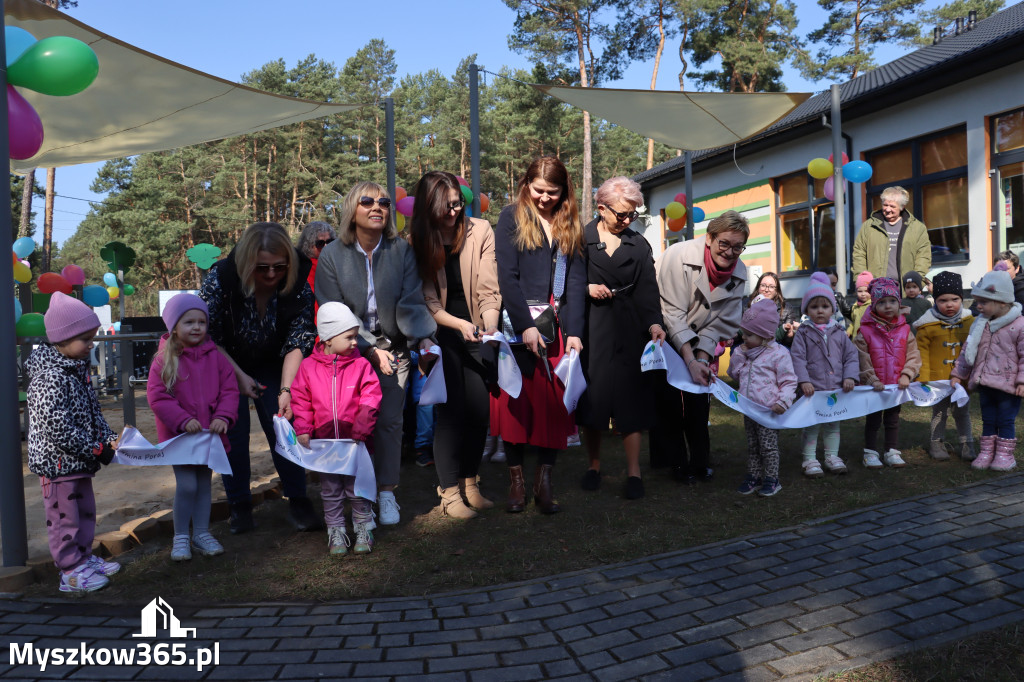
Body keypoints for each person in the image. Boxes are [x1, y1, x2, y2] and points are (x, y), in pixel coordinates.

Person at [315, 182, 437, 525]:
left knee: (389, 423)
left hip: (394, 349)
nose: (377, 207)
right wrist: (367, 349)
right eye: (367, 201)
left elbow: (411, 301)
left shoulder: (401, 251)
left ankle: (386, 492)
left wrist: (423, 339)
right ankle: (353, 498)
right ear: (352, 210)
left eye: (384, 202)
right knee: (350, 424)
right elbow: (332, 307)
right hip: (348, 351)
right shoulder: (332, 255)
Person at [200, 221, 319, 534]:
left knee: (284, 423)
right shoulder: (221, 277)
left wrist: (286, 389)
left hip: (275, 362)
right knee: (232, 430)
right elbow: (208, 336)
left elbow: (299, 339)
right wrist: (237, 375)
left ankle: (298, 499)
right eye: (261, 267)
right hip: (225, 361)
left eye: (279, 267)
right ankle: (239, 505)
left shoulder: (298, 284)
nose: (270, 275)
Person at [493, 156, 586, 514]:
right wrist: (525, 325)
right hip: (519, 328)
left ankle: (543, 482)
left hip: (558, 330)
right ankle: (516, 483)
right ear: (525, 185)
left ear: (565, 191)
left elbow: (576, 283)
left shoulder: (570, 223)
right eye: (539, 190)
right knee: (515, 405)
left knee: (555, 408)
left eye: (553, 191)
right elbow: (507, 279)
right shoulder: (509, 217)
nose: (545, 198)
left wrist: (575, 332)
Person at [411, 170, 501, 519]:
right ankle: (449, 493)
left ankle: (471, 483)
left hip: (478, 329)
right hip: (441, 333)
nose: (454, 212)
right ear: (429, 207)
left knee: (480, 411)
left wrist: (489, 327)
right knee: (450, 413)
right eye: (446, 206)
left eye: (458, 204)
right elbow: (428, 300)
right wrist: (459, 324)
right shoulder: (418, 239)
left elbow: (489, 288)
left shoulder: (481, 230)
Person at [576, 176, 665, 500]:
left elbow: (648, 290)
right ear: (601, 208)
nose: (628, 220)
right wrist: (585, 288)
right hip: (592, 329)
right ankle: (594, 466)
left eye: (633, 215)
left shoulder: (638, 244)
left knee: (632, 401)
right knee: (594, 400)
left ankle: (634, 473)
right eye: (622, 215)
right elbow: (566, 282)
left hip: (630, 329)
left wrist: (654, 323)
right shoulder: (579, 239)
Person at [27, 292, 121, 593]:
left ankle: (83, 558)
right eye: (85, 339)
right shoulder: (49, 377)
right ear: (62, 339)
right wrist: (96, 448)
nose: (91, 345)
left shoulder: (76, 370)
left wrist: (108, 438)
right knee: (64, 520)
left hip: (79, 462)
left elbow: (93, 412)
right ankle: (69, 571)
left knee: (85, 513)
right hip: (57, 465)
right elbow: (59, 428)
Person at [652, 210, 749, 483]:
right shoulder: (678, 255)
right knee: (670, 400)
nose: (730, 252)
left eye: (738, 246)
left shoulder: (739, 272)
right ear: (709, 239)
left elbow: (718, 323)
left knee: (699, 398)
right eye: (724, 244)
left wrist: (702, 360)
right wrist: (689, 359)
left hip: (699, 336)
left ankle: (700, 461)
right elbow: (671, 313)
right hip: (663, 333)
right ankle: (676, 462)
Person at [147, 294, 238, 561]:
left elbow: (230, 390)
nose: (197, 327)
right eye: (189, 322)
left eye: (201, 321)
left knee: (204, 484)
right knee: (187, 485)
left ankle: (201, 533)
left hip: (209, 435)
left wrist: (223, 415)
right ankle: (181, 537)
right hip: (181, 438)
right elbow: (157, 396)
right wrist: (182, 420)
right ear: (174, 326)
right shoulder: (164, 360)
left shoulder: (216, 357)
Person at [290, 302, 382, 555]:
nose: (355, 342)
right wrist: (304, 428)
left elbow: (371, 397)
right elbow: (301, 399)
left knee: (357, 488)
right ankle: (336, 530)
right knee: (330, 490)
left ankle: (363, 527)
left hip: (355, 442)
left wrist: (362, 428)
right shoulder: (308, 367)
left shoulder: (361, 365)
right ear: (328, 339)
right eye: (349, 337)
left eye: (356, 336)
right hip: (326, 444)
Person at [951, 269, 1024, 471]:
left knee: (1006, 420)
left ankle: (1004, 455)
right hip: (985, 382)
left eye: (983, 302)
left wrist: (1022, 381)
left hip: (1008, 386)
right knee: (988, 419)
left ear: (1002, 302)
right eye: (977, 301)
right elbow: (968, 350)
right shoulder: (979, 323)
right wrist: (959, 374)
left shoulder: (1019, 325)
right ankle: (987, 452)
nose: (978, 306)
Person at [791, 273, 859, 477]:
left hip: (835, 389)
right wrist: (803, 381)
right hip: (812, 389)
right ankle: (809, 459)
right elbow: (797, 358)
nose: (820, 310)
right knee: (811, 425)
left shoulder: (839, 332)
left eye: (824, 306)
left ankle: (831, 456)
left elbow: (851, 356)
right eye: (814, 306)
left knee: (832, 425)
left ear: (832, 308)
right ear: (806, 310)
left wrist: (849, 377)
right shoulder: (803, 333)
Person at [728, 298, 797, 497]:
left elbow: (789, 381)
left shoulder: (779, 354)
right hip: (749, 409)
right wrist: (739, 355)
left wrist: (783, 401)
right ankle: (754, 476)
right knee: (753, 445)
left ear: (765, 335)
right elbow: (735, 374)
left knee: (768, 447)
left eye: (749, 334)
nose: (744, 338)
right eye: (744, 333)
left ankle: (771, 479)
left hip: (768, 411)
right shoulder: (747, 352)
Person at [854, 277, 922, 469]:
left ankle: (891, 450)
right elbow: (861, 358)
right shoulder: (866, 331)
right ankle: (870, 452)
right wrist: (871, 378)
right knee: (873, 420)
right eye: (881, 302)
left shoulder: (905, 330)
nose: (888, 306)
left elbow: (913, 355)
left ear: (899, 303)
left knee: (892, 419)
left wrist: (907, 374)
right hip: (874, 387)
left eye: (892, 301)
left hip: (895, 386)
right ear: (874, 305)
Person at [914, 271, 975, 461]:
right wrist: (923, 377)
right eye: (943, 300)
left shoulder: (970, 323)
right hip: (937, 379)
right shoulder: (927, 326)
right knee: (939, 412)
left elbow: (973, 349)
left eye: (955, 299)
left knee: (962, 412)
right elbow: (921, 352)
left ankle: (967, 444)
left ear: (962, 299)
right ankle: (936, 443)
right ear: (935, 300)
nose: (949, 304)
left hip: (961, 379)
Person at [851, 185, 931, 290]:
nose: (888, 209)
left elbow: (923, 258)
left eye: (892, 206)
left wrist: (917, 282)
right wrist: (863, 282)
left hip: (906, 290)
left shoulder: (917, 228)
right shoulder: (869, 226)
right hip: (875, 288)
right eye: (885, 205)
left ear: (902, 207)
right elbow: (859, 254)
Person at [297, 221, 337, 297]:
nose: (326, 246)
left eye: (329, 242)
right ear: (308, 245)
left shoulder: (336, 263)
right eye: (320, 243)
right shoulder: (304, 268)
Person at [849, 270, 873, 337]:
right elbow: (853, 322)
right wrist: (849, 331)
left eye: (866, 291)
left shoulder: (873, 306)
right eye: (860, 291)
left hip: (868, 340)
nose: (863, 294)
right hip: (856, 340)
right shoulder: (855, 306)